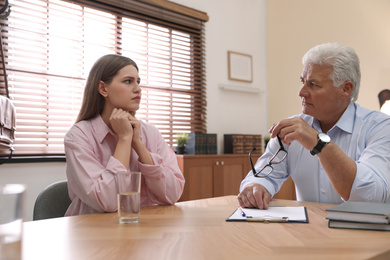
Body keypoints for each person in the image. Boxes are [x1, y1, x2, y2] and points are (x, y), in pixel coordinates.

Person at [238, 43, 390, 209]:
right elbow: (261, 176)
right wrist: (255, 187)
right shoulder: (293, 128)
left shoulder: (381, 128)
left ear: (346, 89)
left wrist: (319, 143)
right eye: (303, 82)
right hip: (307, 233)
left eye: (313, 84)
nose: (301, 92)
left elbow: (371, 198)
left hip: (365, 233)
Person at [64, 54, 185, 216]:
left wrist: (139, 145)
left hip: (145, 229)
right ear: (103, 89)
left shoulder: (150, 133)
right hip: (94, 233)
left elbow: (173, 195)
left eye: (138, 81)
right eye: (128, 81)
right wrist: (124, 139)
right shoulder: (78, 136)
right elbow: (108, 202)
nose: (138, 89)